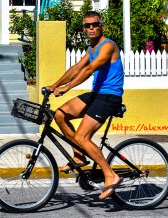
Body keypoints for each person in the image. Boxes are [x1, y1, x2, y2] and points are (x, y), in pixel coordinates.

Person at [46, 11, 124, 200]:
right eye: (87, 25)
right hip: (96, 94)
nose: (91, 28)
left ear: (101, 26)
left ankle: (110, 175)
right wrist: (54, 85)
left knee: (82, 136)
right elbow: (76, 68)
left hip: (109, 96)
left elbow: (89, 70)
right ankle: (79, 155)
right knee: (60, 114)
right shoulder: (91, 49)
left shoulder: (108, 46)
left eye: (94, 24)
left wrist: (66, 88)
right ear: (84, 29)